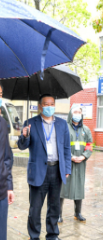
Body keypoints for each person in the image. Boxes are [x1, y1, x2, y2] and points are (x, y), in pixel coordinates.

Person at [17, 94, 71, 240]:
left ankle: (52, 235)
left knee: (54, 207)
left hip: (56, 170)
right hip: (38, 171)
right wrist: (24, 136)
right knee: (35, 208)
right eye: (46, 104)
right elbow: (22, 146)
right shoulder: (30, 123)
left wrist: (67, 168)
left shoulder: (62, 123)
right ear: (40, 106)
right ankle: (34, 236)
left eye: (52, 104)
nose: (49, 106)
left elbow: (66, 148)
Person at [58, 106, 93, 223]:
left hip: (80, 163)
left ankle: (77, 213)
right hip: (67, 162)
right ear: (70, 114)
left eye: (79, 112)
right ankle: (58, 214)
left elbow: (89, 145)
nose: (77, 114)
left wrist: (83, 156)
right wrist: (71, 157)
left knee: (79, 186)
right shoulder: (64, 128)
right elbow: (61, 144)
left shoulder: (86, 130)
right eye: (75, 112)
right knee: (63, 187)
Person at [0, 83, 14, 240]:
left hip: (1, 190)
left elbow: (7, 157)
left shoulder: (3, 123)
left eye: (1, 94)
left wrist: (9, 186)